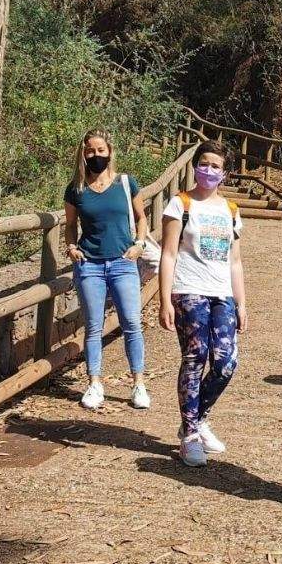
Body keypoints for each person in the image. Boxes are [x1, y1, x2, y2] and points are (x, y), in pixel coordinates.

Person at [158, 139, 247, 467]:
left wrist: (241, 303)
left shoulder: (231, 210)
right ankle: (191, 435)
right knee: (195, 356)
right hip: (188, 289)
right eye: (204, 164)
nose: (209, 170)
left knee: (226, 362)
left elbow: (235, 260)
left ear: (225, 173)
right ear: (195, 166)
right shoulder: (180, 204)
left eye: (216, 166)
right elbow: (168, 254)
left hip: (221, 292)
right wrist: (165, 299)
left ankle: (195, 418)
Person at [63, 129, 150, 411]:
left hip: (123, 262)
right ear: (83, 153)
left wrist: (138, 244)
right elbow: (70, 225)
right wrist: (72, 247)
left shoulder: (126, 183)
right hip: (90, 264)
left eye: (100, 150)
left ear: (110, 152)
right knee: (93, 327)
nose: (96, 155)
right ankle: (94, 383)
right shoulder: (75, 189)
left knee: (132, 324)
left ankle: (138, 383)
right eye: (90, 151)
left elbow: (141, 218)